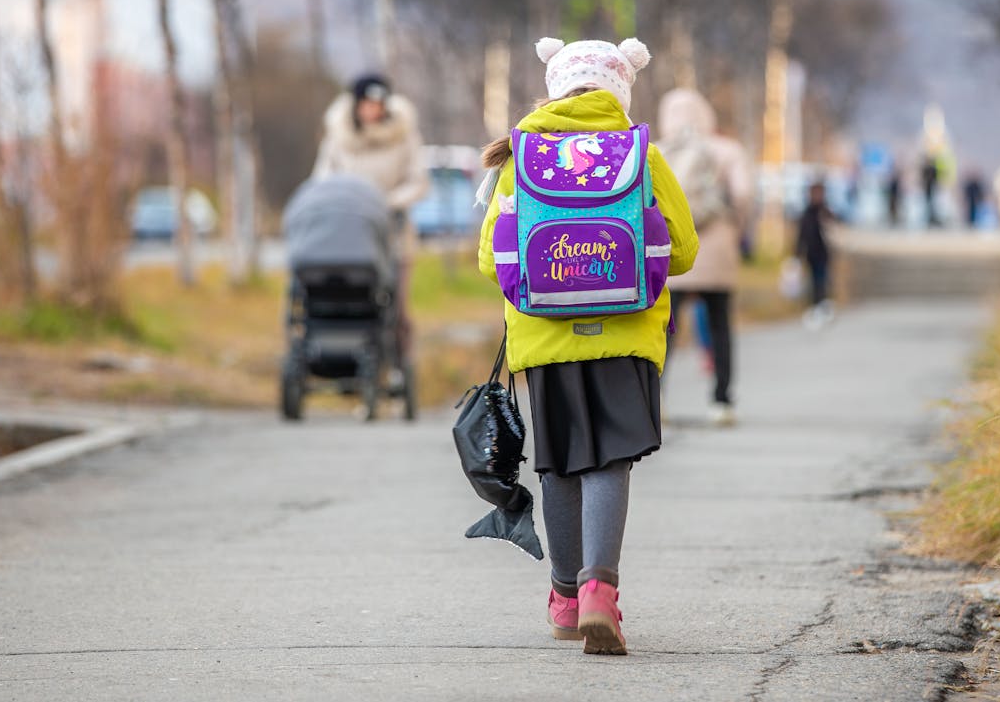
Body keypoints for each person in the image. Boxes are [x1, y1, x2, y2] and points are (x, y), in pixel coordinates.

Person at [477, 37, 698, 656]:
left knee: (560, 463)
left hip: (545, 340)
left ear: (555, 89)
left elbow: (489, 258)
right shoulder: (641, 155)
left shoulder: (522, 158)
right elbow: (682, 250)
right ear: (620, 91)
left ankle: (565, 599)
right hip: (626, 337)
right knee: (610, 458)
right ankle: (601, 589)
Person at [313, 75, 428, 360]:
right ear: (355, 105)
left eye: (378, 104)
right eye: (366, 104)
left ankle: (400, 362)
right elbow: (323, 179)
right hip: (347, 233)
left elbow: (419, 181)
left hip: (392, 232)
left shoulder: (405, 136)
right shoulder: (338, 138)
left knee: (396, 307)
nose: (372, 110)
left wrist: (387, 202)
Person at [657, 88, 752, 426]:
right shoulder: (727, 150)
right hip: (717, 250)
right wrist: (735, 227)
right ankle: (721, 401)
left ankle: (657, 398)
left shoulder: (658, 152)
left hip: (672, 253)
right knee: (720, 326)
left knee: (665, 328)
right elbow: (742, 195)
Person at [796, 180, 833, 330]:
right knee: (813, 281)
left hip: (823, 254)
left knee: (822, 280)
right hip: (811, 254)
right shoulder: (807, 213)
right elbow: (802, 235)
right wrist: (798, 253)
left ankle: (822, 306)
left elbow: (833, 231)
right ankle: (816, 305)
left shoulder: (825, 212)